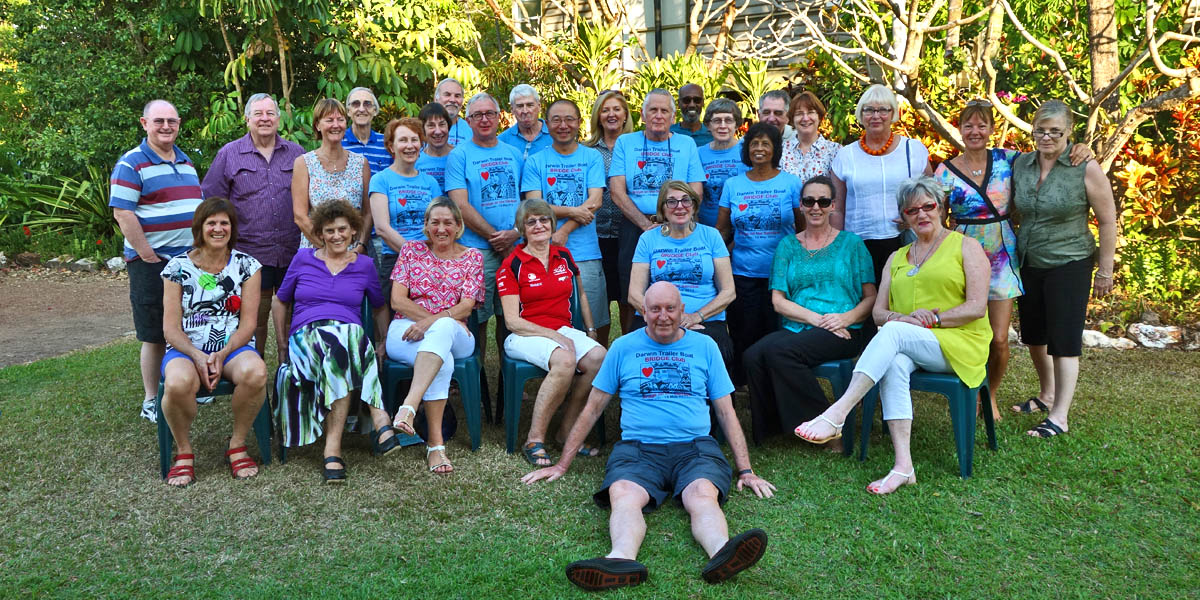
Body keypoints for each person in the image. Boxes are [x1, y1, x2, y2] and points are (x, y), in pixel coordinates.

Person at [522, 281, 775, 591]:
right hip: (638, 449)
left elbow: (726, 412)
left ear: (683, 312)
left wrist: (746, 469)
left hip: (694, 447)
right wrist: (562, 464)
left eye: (671, 309)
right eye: (655, 309)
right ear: (643, 312)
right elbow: (592, 408)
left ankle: (723, 552)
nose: (663, 316)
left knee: (702, 496)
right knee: (624, 496)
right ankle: (620, 559)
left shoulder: (705, 346)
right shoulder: (624, 347)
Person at [796, 176, 991, 495]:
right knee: (896, 361)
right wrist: (901, 318)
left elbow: (976, 307)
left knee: (896, 334)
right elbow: (879, 313)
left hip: (960, 343)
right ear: (904, 216)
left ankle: (838, 412)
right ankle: (904, 467)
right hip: (914, 342)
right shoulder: (898, 258)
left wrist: (935, 318)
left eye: (929, 206)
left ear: (941, 208)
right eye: (912, 210)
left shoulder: (965, 246)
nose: (922, 214)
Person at [933, 100, 1092, 421]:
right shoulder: (944, 171)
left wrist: (1081, 148)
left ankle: (989, 394)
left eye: (982, 125)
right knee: (962, 331)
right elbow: (935, 215)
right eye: (968, 125)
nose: (974, 131)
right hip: (962, 255)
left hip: (1002, 256)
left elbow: (1051, 156)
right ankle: (969, 392)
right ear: (959, 129)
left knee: (1000, 337)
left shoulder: (1011, 161)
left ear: (992, 129)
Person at [1011, 100, 1117, 438]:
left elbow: (1107, 220)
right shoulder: (1021, 164)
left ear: (1069, 132)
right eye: (1041, 130)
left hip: (1070, 262)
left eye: (1055, 132)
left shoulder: (1084, 166)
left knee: (1064, 340)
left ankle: (1059, 417)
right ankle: (1047, 395)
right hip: (1029, 260)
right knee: (1035, 336)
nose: (1047, 137)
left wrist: (1105, 269)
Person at [743, 175, 875, 446]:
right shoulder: (788, 245)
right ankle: (775, 428)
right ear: (800, 206)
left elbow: (870, 298)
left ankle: (827, 428)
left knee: (781, 352)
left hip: (845, 329)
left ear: (833, 206)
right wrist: (818, 320)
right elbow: (778, 301)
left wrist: (844, 319)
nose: (816, 207)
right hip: (801, 324)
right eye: (809, 201)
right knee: (752, 355)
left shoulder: (852, 244)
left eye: (823, 201)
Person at [272, 200, 397, 484]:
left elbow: (379, 306)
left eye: (343, 229)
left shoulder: (364, 265)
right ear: (320, 233)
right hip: (307, 339)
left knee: (346, 339)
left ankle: (333, 448)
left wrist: (384, 339)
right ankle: (380, 417)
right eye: (329, 230)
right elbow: (280, 302)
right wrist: (281, 346)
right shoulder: (303, 259)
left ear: (354, 231)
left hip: (347, 341)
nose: (337, 235)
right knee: (348, 338)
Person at [160, 197, 268, 487]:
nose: (218, 229)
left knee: (255, 372)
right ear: (200, 227)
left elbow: (248, 323)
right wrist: (197, 355)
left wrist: (222, 353)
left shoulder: (248, 266)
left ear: (232, 228)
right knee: (177, 383)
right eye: (212, 223)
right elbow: (170, 328)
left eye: (225, 223)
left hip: (233, 346)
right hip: (186, 347)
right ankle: (184, 450)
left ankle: (237, 443)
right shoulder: (177, 267)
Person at [110, 99, 203, 423]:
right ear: (144, 123)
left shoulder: (186, 161)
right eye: (159, 121)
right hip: (152, 263)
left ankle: (189, 387)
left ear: (178, 124)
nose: (166, 126)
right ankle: (151, 399)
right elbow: (122, 211)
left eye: (172, 121)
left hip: (189, 262)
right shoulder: (131, 163)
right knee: (153, 333)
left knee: (188, 326)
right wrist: (148, 255)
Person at [498, 199, 607, 466]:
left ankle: (567, 431)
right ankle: (534, 439)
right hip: (524, 334)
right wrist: (554, 336)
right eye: (531, 221)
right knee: (566, 359)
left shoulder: (565, 256)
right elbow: (512, 321)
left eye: (544, 219)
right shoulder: (512, 265)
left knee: (599, 358)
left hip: (563, 330)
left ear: (552, 223)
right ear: (522, 228)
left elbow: (580, 293)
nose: (539, 225)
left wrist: (590, 329)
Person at [201, 93, 306, 355]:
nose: (264, 119)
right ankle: (252, 368)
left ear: (279, 119)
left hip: (292, 250)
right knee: (253, 320)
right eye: (258, 114)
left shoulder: (297, 154)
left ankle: (294, 370)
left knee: (295, 314)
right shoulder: (230, 154)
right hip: (250, 253)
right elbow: (213, 201)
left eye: (270, 113)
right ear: (247, 119)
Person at [386, 197, 484, 474]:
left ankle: (409, 405)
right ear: (426, 227)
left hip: (455, 332)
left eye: (448, 223)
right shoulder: (411, 251)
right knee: (444, 360)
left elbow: (466, 306)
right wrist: (428, 322)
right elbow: (397, 301)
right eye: (435, 222)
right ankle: (436, 446)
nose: (441, 228)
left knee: (442, 329)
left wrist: (429, 322)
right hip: (405, 330)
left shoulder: (472, 257)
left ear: (459, 226)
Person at [609, 88, 706, 331]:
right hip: (635, 226)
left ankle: (674, 332)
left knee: (673, 279)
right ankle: (632, 338)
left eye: (665, 111)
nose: (658, 115)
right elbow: (617, 191)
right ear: (642, 115)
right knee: (630, 289)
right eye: (653, 110)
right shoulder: (625, 142)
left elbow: (696, 190)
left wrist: (675, 220)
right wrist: (646, 225)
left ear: (673, 117)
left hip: (679, 225)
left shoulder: (686, 144)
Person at [715, 122, 803, 383]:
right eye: (754, 143)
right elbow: (721, 231)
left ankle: (776, 380)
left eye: (766, 143)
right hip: (743, 272)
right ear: (747, 149)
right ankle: (742, 383)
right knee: (744, 330)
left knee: (777, 330)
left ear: (776, 149)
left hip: (782, 274)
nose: (760, 148)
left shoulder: (791, 183)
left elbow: (802, 230)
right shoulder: (733, 184)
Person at [521, 99, 609, 342]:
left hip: (585, 252)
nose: (563, 125)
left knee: (596, 317)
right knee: (552, 318)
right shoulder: (537, 161)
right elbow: (535, 206)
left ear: (579, 123)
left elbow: (595, 200)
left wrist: (565, 230)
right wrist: (573, 211)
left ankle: (595, 370)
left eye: (569, 119)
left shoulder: (591, 157)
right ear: (547, 124)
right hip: (543, 254)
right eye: (556, 120)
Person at [445, 92, 524, 354]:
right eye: (477, 115)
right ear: (468, 121)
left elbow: (527, 199)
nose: (484, 119)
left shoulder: (514, 154)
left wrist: (514, 234)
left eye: (490, 113)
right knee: (476, 316)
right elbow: (460, 204)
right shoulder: (460, 156)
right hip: (476, 251)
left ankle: (507, 378)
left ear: (499, 117)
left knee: (510, 314)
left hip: (515, 246)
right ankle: (477, 379)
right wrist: (497, 239)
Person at [832, 84, 933, 283]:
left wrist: (915, 218)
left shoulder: (913, 150)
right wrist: (837, 247)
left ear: (893, 113)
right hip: (859, 243)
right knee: (866, 302)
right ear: (861, 114)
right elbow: (837, 209)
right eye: (869, 110)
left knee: (904, 300)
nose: (875, 116)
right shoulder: (846, 155)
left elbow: (933, 197)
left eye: (883, 110)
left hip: (905, 240)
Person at [628, 181, 735, 368]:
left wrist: (695, 317)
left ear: (694, 205)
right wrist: (667, 319)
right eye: (671, 202)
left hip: (705, 319)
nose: (680, 207)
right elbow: (634, 295)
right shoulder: (648, 239)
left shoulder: (711, 236)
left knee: (714, 349)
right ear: (662, 208)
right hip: (656, 319)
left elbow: (728, 291)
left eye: (686, 200)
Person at [368, 117, 444, 299]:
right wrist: (415, 255)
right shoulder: (380, 180)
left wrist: (428, 257)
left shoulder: (430, 182)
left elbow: (439, 223)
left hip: (431, 259)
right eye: (403, 140)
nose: (410, 146)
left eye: (414, 139)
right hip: (395, 259)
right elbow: (381, 228)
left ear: (421, 145)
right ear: (391, 146)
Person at [584, 90, 635, 341]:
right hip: (596, 235)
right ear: (597, 116)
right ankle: (600, 355)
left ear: (625, 115)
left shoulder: (637, 147)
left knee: (629, 297)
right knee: (599, 301)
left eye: (616, 109)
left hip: (630, 234)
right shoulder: (587, 150)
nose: (611, 114)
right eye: (605, 110)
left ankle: (627, 350)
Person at [291, 98, 371, 251]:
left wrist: (360, 246)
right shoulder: (304, 163)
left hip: (353, 253)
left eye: (340, 120)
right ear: (317, 125)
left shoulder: (361, 164)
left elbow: (368, 213)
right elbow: (300, 217)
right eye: (329, 120)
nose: (336, 125)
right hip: (316, 251)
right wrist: (330, 250)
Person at [696, 98, 748, 227]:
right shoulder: (698, 154)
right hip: (707, 227)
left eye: (728, 120)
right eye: (717, 121)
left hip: (740, 230)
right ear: (708, 125)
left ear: (736, 124)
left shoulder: (748, 150)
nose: (723, 126)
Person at [779, 90, 840, 182]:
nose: (805, 118)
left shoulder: (835, 151)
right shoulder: (781, 151)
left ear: (819, 116)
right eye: (799, 114)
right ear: (792, 119)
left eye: (811, 112)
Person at [498, 84, 552, 164]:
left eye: (530, 105)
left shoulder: (556, 136)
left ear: (539, 107)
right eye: (520, 106)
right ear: (512, 110)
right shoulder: (502, 142)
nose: (525, 111)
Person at [343, 87, 391, 174]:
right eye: (356, 104)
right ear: (348, 111)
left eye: (367, 104)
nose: (361, 109)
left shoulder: (387, 143)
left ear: (375, 110)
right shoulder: (338, 142)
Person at [415, 102, 454, 189]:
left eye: (442, 124)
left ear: (448, 126)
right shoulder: (416, 160)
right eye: (431, 125)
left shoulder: (460, 156)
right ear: (422, 129)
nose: (438, 131)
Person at [434, 78, 471, 147]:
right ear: (436, 99)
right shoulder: (422, 128)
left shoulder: (471, 130)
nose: (452, 100)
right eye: (447, 95)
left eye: (457, 96)